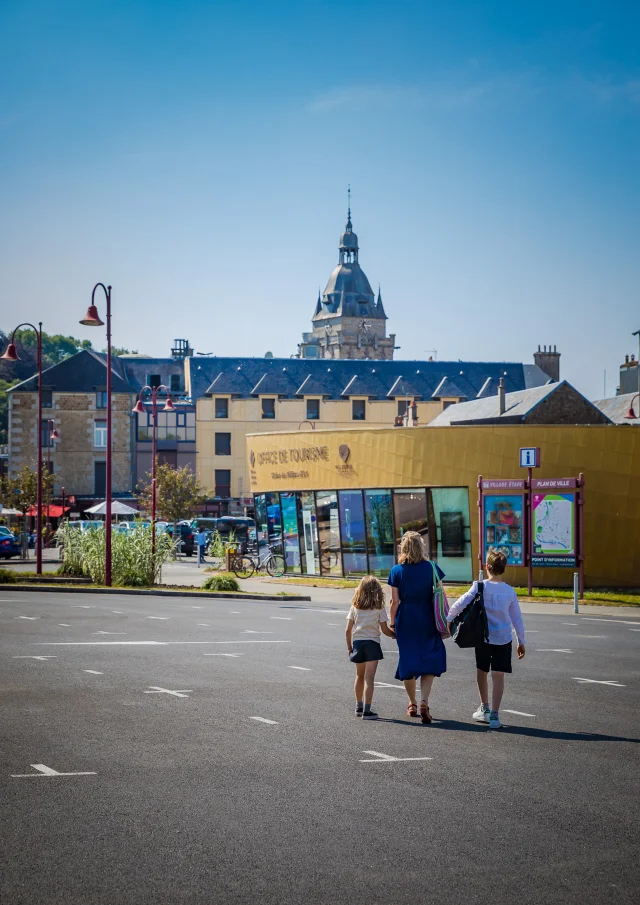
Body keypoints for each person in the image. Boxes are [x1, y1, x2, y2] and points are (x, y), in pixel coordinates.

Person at [446, 549, 525, 729]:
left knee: (482, 671)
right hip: (504, 639)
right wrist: (521, 641)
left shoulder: (480, 586)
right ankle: (495, 716)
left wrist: (449, 619)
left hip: (483, 638)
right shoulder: (510, 591)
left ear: (487, 567)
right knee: (498, 676)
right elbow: (517, 619)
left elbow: (461, 603)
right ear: (504, 569)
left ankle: (485, 708)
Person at [388, 531, 446, 724]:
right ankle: (424, 702)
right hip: (428, 617)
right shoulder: (431, 567)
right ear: (421, 547)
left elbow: (394, 601)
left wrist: (392, 623)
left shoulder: (396, 571)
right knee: (429, 658)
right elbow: (441, 593)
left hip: (406, 619)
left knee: (408, 660)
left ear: (403, 549)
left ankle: (412, 703)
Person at [346, 575, 396, 720]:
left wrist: (349, 648)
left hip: (358, 643)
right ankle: (367, 711)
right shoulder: (379, 608)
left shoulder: (355, 607)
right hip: (372, 644)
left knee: (359, 676)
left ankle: (358, 706)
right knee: (369, 678)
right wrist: (395, 635)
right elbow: (384, 629)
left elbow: (348, 630)